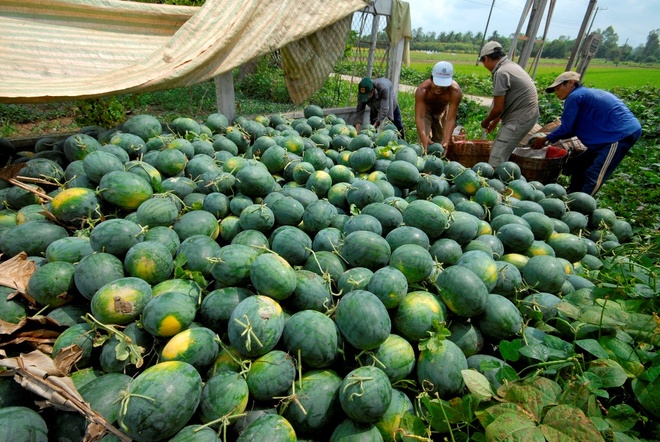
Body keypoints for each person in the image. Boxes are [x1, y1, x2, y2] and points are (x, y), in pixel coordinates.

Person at [530, 71, 642, 195]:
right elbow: (571, 129)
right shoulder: (582, 95)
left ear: (571, 83)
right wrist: (550, 138)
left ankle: (581, 206)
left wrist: (545, 138)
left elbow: (566, 128)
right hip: (607, 135)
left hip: (619, 135)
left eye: (558, 88)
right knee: (580, 164)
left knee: (595, 173)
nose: (557, 92)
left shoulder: (575, 96)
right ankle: (571, 195)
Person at [478, 41, 539, 167]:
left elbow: (498, 108)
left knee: (497, 156)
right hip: (526, 115)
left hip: (519, 118)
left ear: (487, 58)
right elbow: (508, 102)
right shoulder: (511, 66)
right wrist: (495, 122)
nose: (484, 65)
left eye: (483, 62)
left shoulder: (501, 73)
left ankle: (495, 185)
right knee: (500, 149)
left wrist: (486, 121)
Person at [414, 61, 463, 154]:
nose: (439, 87)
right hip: (426, 112)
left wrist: (447, 140)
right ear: (431, 78)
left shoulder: (455, 92)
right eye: (437, 83)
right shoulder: (422, 90)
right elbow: (420, 117)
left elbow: (450, 119)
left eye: (443, 84)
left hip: (442, 112)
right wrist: (424, 138)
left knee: (440, 144)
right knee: (423, 144)